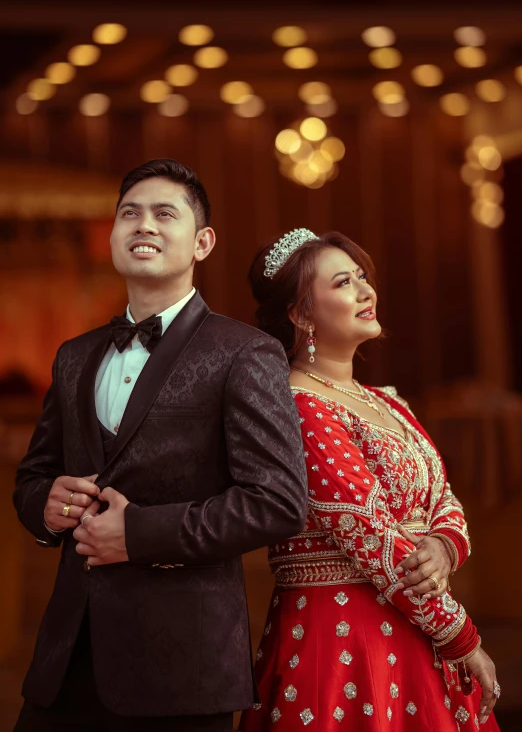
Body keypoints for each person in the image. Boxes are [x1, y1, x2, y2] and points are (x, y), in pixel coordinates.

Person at [13, 159, 308, 732]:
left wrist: (139, 533)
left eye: (163, 214)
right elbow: (34, 476)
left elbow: (278, 502)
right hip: (65, 660)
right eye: (130, 214)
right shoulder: (73, 355)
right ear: (114, 235)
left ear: (202, 242)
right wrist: (44, 507)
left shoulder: (244, 352)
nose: (142, 225)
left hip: (182, 666)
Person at [240, 229, 500, 731]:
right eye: (343, 282)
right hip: (345, 642)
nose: (365, 291)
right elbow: (371, 536)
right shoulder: (300, 407)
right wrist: (463, 639)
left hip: (417, 624)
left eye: (363, 277)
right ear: (300, 314)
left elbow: (442, 495)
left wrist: (446, 545)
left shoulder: (386, 401)